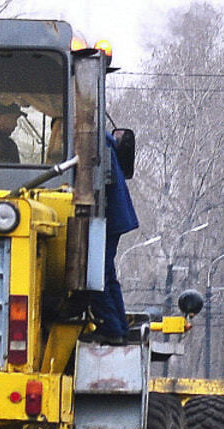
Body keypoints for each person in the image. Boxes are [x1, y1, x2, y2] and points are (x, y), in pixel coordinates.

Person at [86, 132, 138, 343]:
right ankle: (120, 327)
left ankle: (112, 328)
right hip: (112, 217)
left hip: (105, 217)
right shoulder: (101, 138)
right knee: (106, 273)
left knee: (94, 273)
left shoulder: (92, 138)